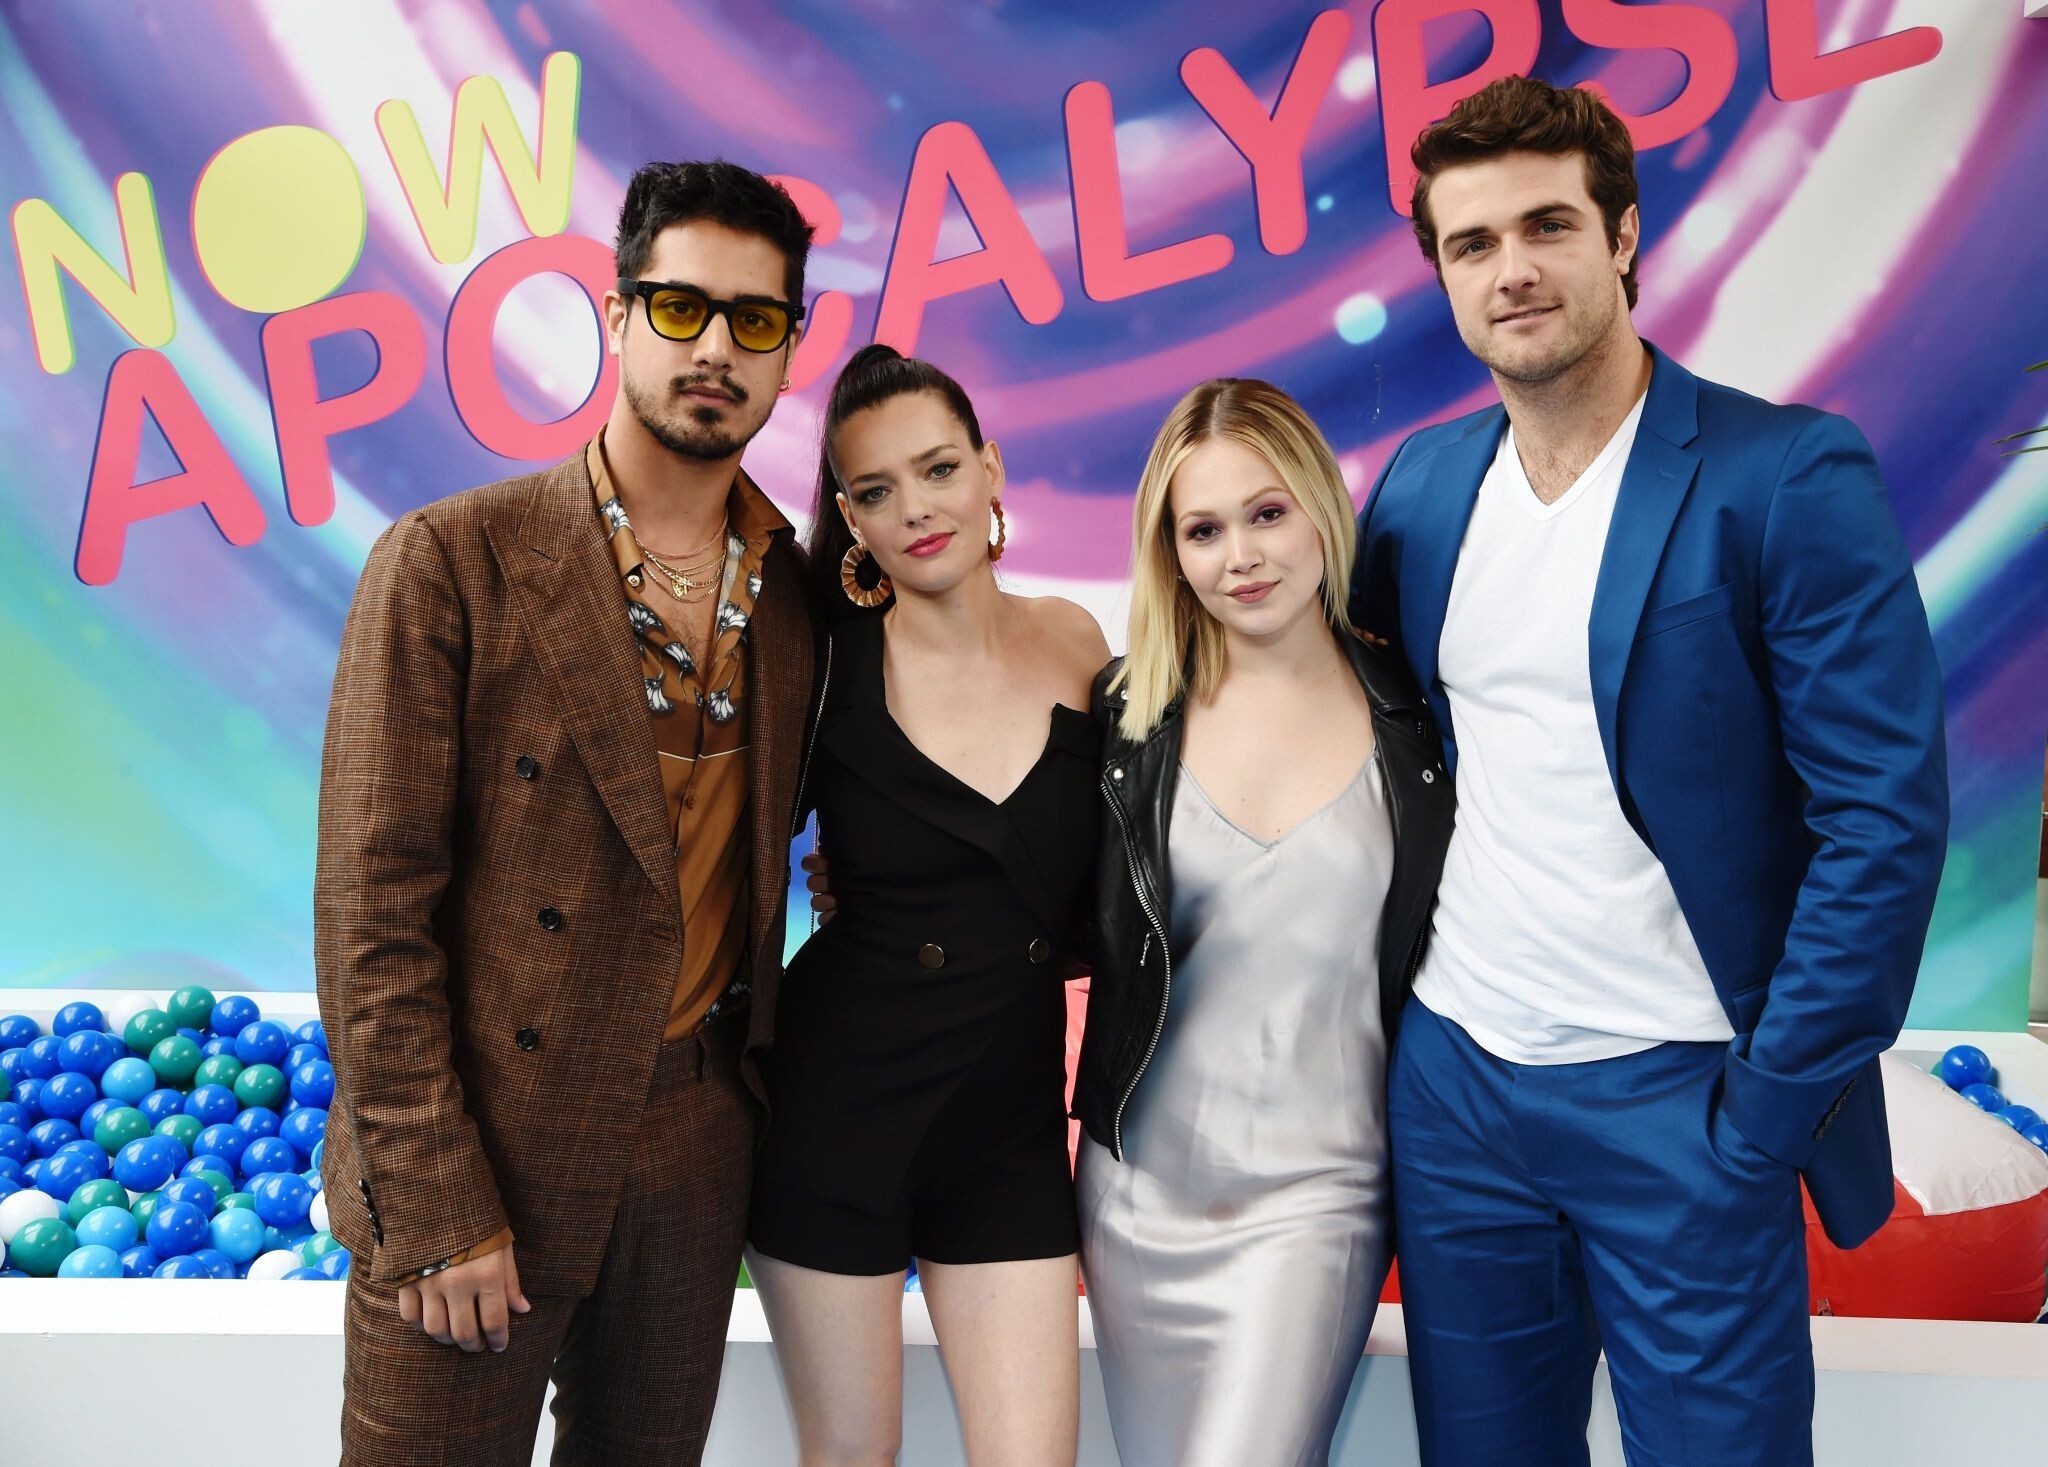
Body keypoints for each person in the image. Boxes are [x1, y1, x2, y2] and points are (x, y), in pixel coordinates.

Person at [1350, 76, 1949, 1466]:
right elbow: (1379, 753)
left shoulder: (1784, 474)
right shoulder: (1421, 488)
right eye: (1471, 243)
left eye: (1547, 225)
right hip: (1457, 1089)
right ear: (1444, 275)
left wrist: (1765, 1115)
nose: (1511, 269)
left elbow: (1883, 821)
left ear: (1621, 235)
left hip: (1685, 1096)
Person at [315, 159, 818, 1465]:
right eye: (680, 307)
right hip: (487, 1139)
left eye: (754, 320)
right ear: (616, 314)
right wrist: (435, 1201)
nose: (714, 349)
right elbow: (371, 914)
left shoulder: (804, 597)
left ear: (789, 348)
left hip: (695, 1142)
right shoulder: (452, 560)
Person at [1070, 377, 1455, 1466]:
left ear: (1319, 507)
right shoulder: (1125, 716)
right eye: (1202, 530)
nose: (1240, 555)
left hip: (1320, 1194)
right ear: (1169, 551)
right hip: (1137, 1197)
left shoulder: (1419, 717)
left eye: (1266, 513)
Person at [745, 344, 1109, 1467]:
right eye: (874, 490)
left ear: (990, 468)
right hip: (837, 1111)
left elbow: (1117, 872)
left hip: (1007, 1123)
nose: (915, 508)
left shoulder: (1078, 640)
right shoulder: (821, 671)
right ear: (850, 520)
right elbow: (721, 851)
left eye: (939, 468)